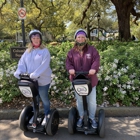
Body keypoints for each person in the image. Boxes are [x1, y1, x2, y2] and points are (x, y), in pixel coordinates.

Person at [14, 29, 52, 127]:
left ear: (40, 39)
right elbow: (22, 63)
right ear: (31, 39)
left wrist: (35, 73)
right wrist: (19, 71)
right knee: (35, 99)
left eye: (37, 38)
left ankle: (47, 115)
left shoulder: (44, 51)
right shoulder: (28, 51)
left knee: (44, 98)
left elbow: (45, 65)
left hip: (43, 80)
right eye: (34, 38)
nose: (36, 40)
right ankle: (36, 114)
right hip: (31, 81)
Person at [65, 29, 100, 129]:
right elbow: (68, 62)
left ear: (85, 38)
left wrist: (93, 68)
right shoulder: (71, 52)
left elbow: (96, 60)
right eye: (79, 37)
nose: (80, 39)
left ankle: (92, 118)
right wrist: (70, 69)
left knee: (92, 100)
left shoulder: (92, 50)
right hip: (77, 80)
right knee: (79, 100)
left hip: (90, 80)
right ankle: (81, 116)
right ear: (76, 38)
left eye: (82, 37)